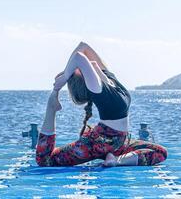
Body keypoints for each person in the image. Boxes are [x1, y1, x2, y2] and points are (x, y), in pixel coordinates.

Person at [36, 42, 167, 167]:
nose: (75, 66)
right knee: (46, 160)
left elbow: (83, 46)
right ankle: (51, 107)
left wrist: (67, 73)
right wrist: (64, 78)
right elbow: (78, 57)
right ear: (85, 78)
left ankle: (116, 160)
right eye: (78, 69)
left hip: (120, 141)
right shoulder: (97, 88)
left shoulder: (109, 77)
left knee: (161, 152)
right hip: (100, 142)